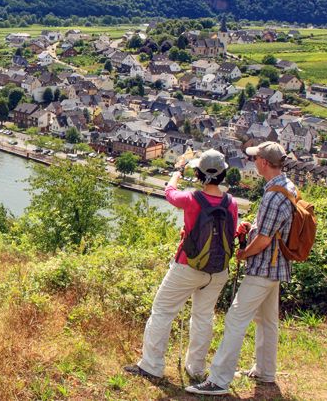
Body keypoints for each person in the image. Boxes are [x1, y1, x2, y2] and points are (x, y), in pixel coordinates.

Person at [186, 141, 295, 396]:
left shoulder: (273, 195)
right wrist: (253, 227)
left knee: (235, 319)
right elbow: (272, 230)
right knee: (267, 321)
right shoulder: (287, 187)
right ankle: (265, 371)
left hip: (263, 268)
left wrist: (245, 251)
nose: (253, 161)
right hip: (277, 266)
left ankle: (218, 380)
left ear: (265, 163)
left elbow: (266, 240)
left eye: (256, 158)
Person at [124, 149, 238, 382]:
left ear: (198, 174)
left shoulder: (193, 198)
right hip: (217, 270)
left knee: (163, 311)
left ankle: (151, 365)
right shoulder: (231, 203)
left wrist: (177, 170)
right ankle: (195, 368)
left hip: (188, 267)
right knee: (203, 317)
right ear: (223, 174)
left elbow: (170, 193)